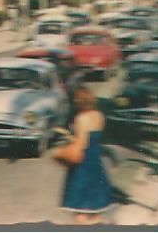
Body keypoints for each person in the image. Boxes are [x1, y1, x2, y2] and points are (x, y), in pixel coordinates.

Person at [60, 84, 115, 224]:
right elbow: (94, 137)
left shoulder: (80, 118)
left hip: (82, 165)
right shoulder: (99, 115)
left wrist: (69, 137)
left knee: (79, 212)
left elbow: (82, 144)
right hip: (95, 161)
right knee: (95, 210)